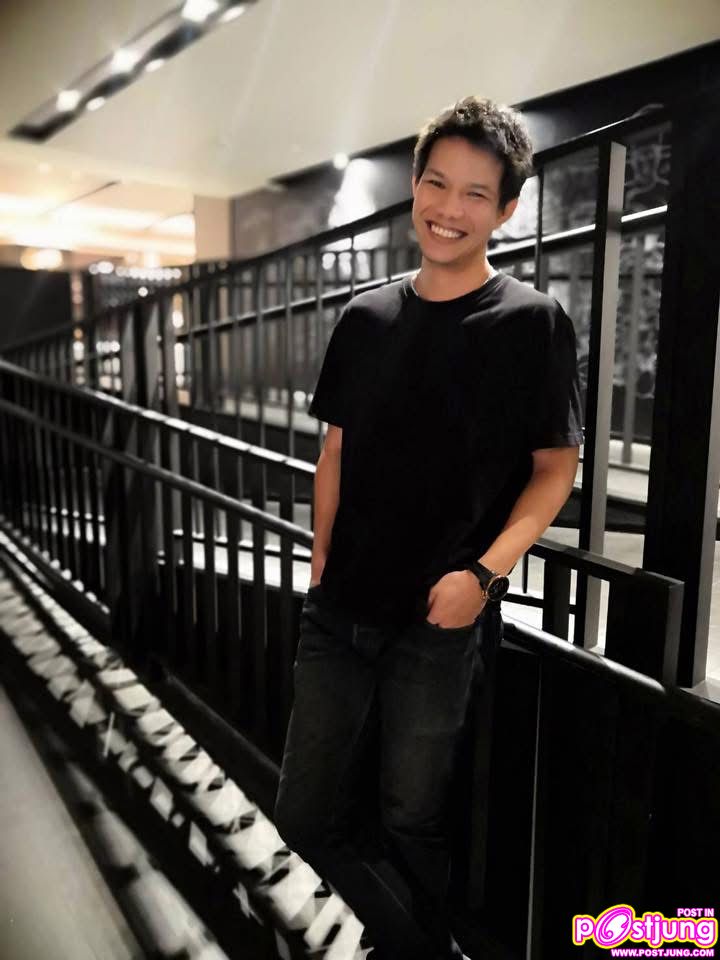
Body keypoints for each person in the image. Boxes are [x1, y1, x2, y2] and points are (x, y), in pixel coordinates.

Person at [274, 95, 584, 960]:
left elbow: (555, 470)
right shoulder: (364, 317)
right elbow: (335, 451)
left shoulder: (532, 322)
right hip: (339, 611)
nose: (449, 209)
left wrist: (482, 577)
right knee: (303, 815)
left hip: (440, 620)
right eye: (436, 184)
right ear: (414, 187)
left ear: (507, 209)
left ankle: (411, 946)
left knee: (413, 817)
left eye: (476, 193)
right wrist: (320, 561)